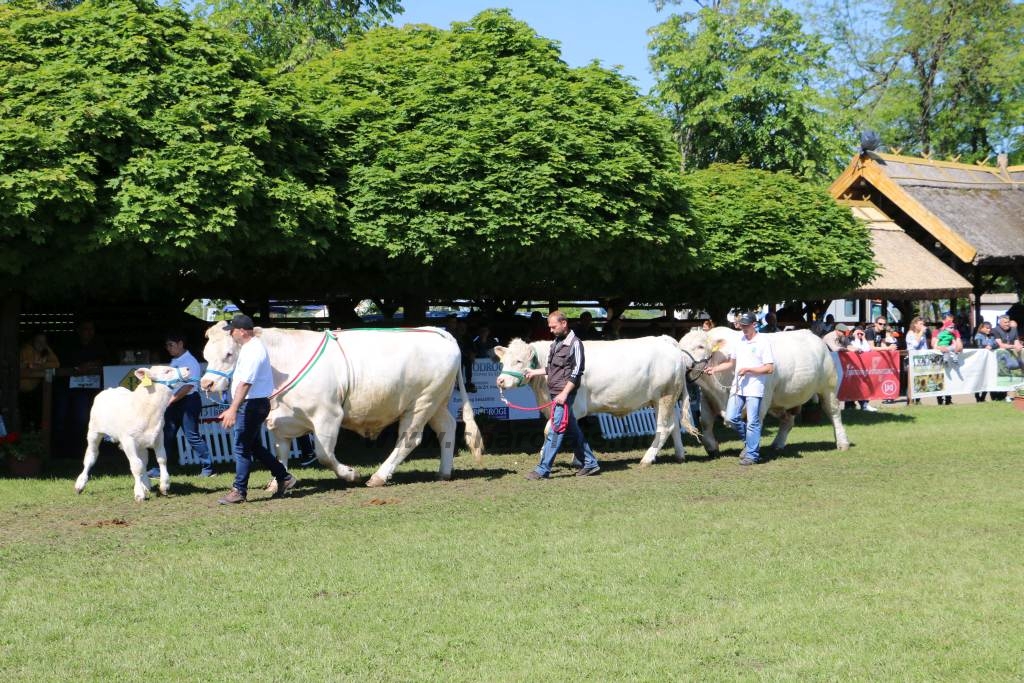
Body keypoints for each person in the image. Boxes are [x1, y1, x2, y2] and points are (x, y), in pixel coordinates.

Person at [216, 314, 297, 504]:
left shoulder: (253, 351)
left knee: (241, 447)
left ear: (242, 331)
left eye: (233, 331)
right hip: (253, 404)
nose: (231, 335)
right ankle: (284, 478)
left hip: (251, 404)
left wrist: (233, 409)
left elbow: (245, 383)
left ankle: (239, 491)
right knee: (254, 446)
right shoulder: (249, 348)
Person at [523, 311, 601, 479]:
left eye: (553, 326)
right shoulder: (556, 343)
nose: (551, 330)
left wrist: (565, 394)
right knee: (572, 429)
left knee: (556, 429)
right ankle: (590, 463)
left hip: (564, 394)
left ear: (564, 323)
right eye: (549, 327)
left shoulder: (575, 344)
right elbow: (551, 369)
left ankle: (542, 469)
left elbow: (577, 373)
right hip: (555, 393)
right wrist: (533, 372)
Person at [703, 311, 774, 466]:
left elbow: (769, 368)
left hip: (755, 388)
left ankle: (752, 455)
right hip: (737, 387)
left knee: (752, 422)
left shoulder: (763, 342)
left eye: (746, 326)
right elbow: (731, 363)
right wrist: (714, 369)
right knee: (731, 417)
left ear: (754, 325)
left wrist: (750, 370)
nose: (743, 329)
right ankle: (750, 444)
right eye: (742, 326)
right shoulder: (739, 341)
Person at [148, 331, 214, 478]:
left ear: (180, 344)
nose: (168, 348)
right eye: (167, 346)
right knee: (167, 436)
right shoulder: (175, 361)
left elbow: (189, 387)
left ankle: (208, 469)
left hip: (188, 402)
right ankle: (160, 469)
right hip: (175, 402)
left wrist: (170, 400)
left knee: (192, 436)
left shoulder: (190, 362)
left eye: (171, 345)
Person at [19, 332, 60, 432]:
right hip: (21, 391)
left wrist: (40, 365)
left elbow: (56, 364)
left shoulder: (45, 351)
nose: (41, 344)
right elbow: (26, 365)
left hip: (34, 391)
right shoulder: (26, 350)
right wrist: (32, 365)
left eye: (44, 342)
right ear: (33, 341)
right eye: (39, 341)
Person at [931, 311, 963, 406]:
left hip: (950, 357)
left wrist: (956, 348)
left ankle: (949, 400)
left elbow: (959, 344)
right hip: (939, 358)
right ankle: (939, 400)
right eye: (948, 320)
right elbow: (933, 344)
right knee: (940, 378)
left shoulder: (955, 331)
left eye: (952, 321)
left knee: (950, 378)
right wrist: (942, 348)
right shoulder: (937, 331)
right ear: (943, 320)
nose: (951, 323)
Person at [846, 327, 877, 412]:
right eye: (858, 333)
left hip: (863, 369)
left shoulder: (863, 341)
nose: (859, 335)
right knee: (852, 387)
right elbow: (856, 349)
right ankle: (849, 405)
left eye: (861, 333)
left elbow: (867, 349)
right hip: (852, 369)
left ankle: (864, 405)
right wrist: (855, 337)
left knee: (864, 386)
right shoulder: (850, 341)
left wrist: (863, 338)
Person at [992, 315, 1023, 396]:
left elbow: (1016, 341)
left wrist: (1018, 346)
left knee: (1015, 376)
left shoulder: (1013, 329)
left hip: (1012, 357)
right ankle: (1000, 396)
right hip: (999, 358)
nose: (1007, 324)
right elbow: (1000, 345)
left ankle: (1017, 394)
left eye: (1008, 322)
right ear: (1000, 323)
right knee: (1001, 377)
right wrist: (1014, 346)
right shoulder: (995, 330)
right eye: (1005, 322)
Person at [904, 316, 930, 405]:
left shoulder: (923, 335)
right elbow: (915, 344)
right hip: (911, 360)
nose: (923, 326)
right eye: (921, 324)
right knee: (911, 380)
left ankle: (918, 401)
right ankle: (909, 401)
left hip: (921, 360)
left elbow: (925, 347)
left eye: (923, 324)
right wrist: (921, 332)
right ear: (915, 324)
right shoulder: (910, 334)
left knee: (920, 379)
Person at [972, 321, 998, 402]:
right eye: (987, 328)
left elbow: (996, 344)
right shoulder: (978, 336)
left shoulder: (992, 336)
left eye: (990, 328)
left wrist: (991, 345)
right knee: (978, 379)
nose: (989, 330)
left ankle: (983, 397)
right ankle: (977, 397)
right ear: (982, 328)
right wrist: (986, 345)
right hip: (979, 361)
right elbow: (978, 345)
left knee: (987, 379)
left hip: (989, 361)